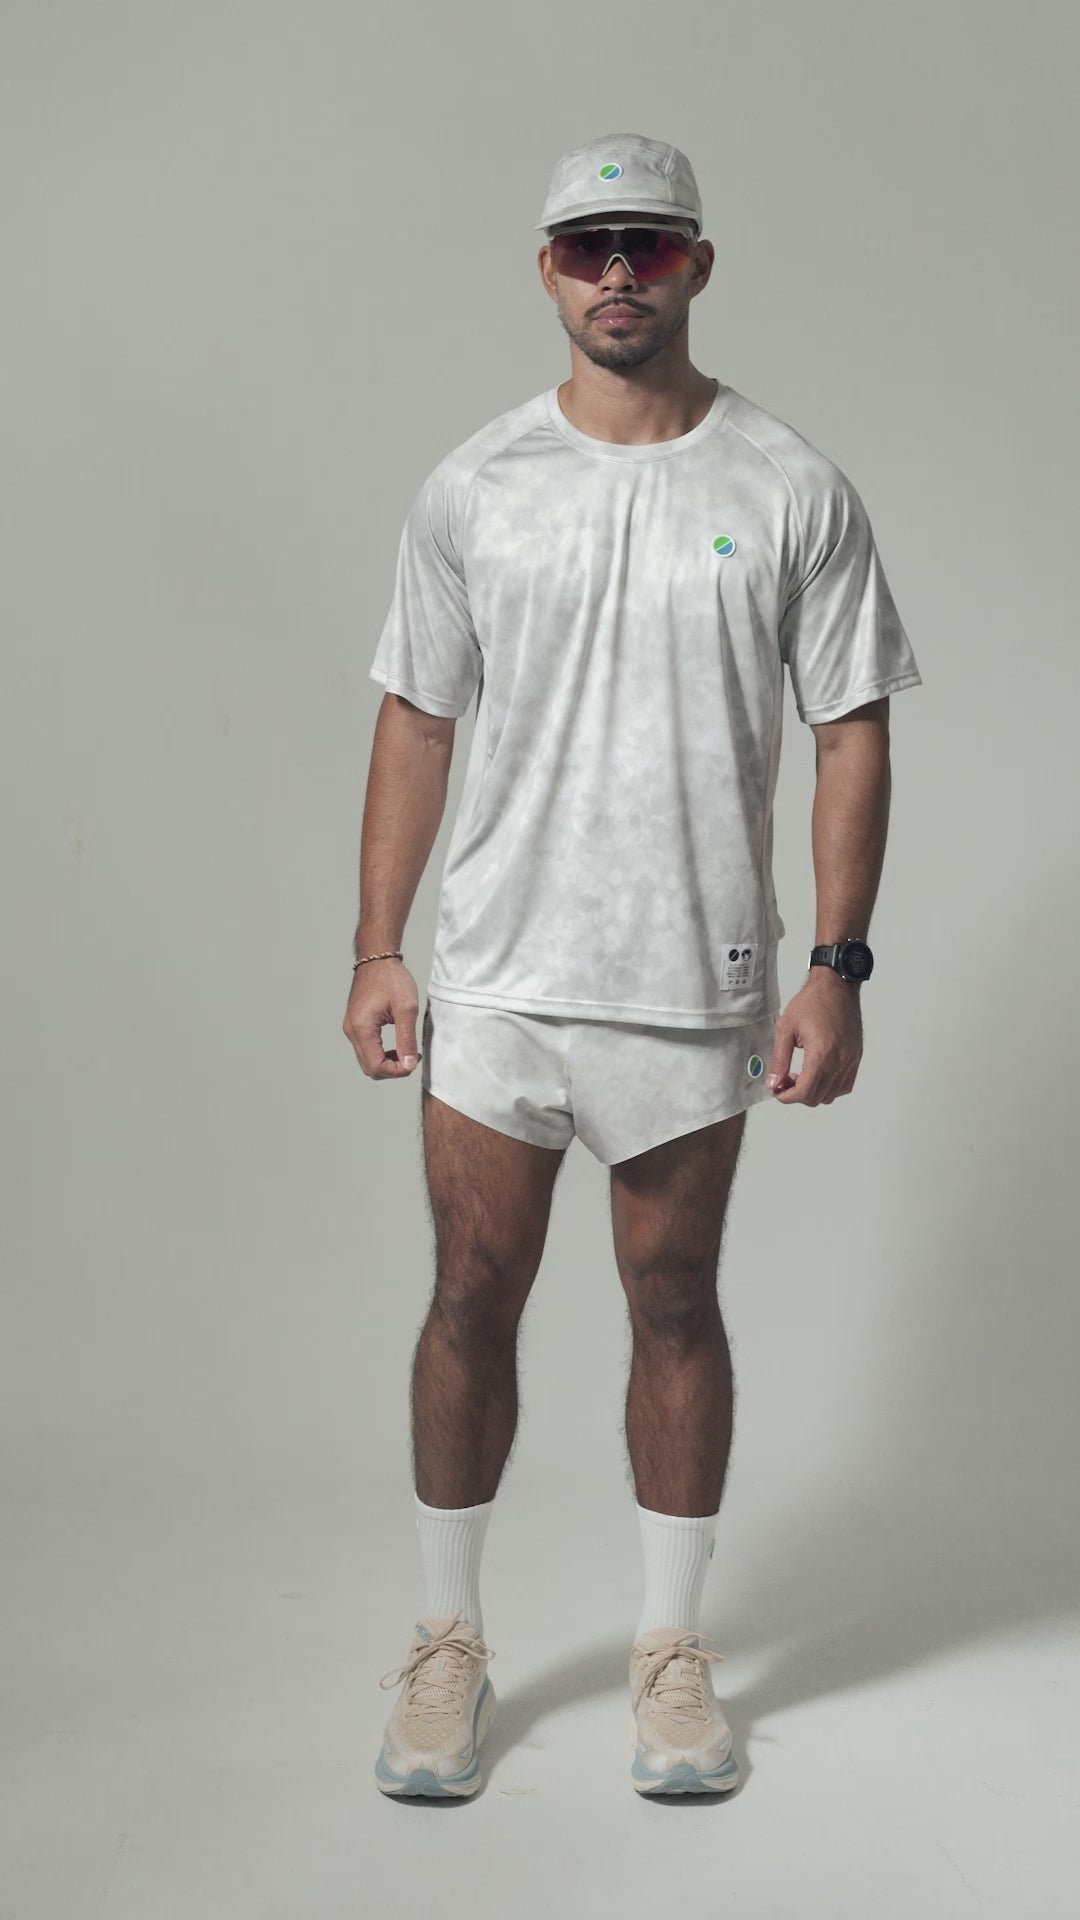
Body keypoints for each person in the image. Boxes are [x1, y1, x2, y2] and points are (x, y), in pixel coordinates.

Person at [344, 132, 923, 1800]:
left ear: (697, 267)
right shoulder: (476, 486)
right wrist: (379, 946)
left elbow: (851, 730)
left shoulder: (789, 487)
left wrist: (837, 967)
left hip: (691, 981)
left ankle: (673, 1655)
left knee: (674, 1300)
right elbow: (417, 717)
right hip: (500, 975)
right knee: (471, 1291)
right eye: (588, 245)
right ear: (545, 268)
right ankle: (448, 1644)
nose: (617, 272)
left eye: (649, 245)